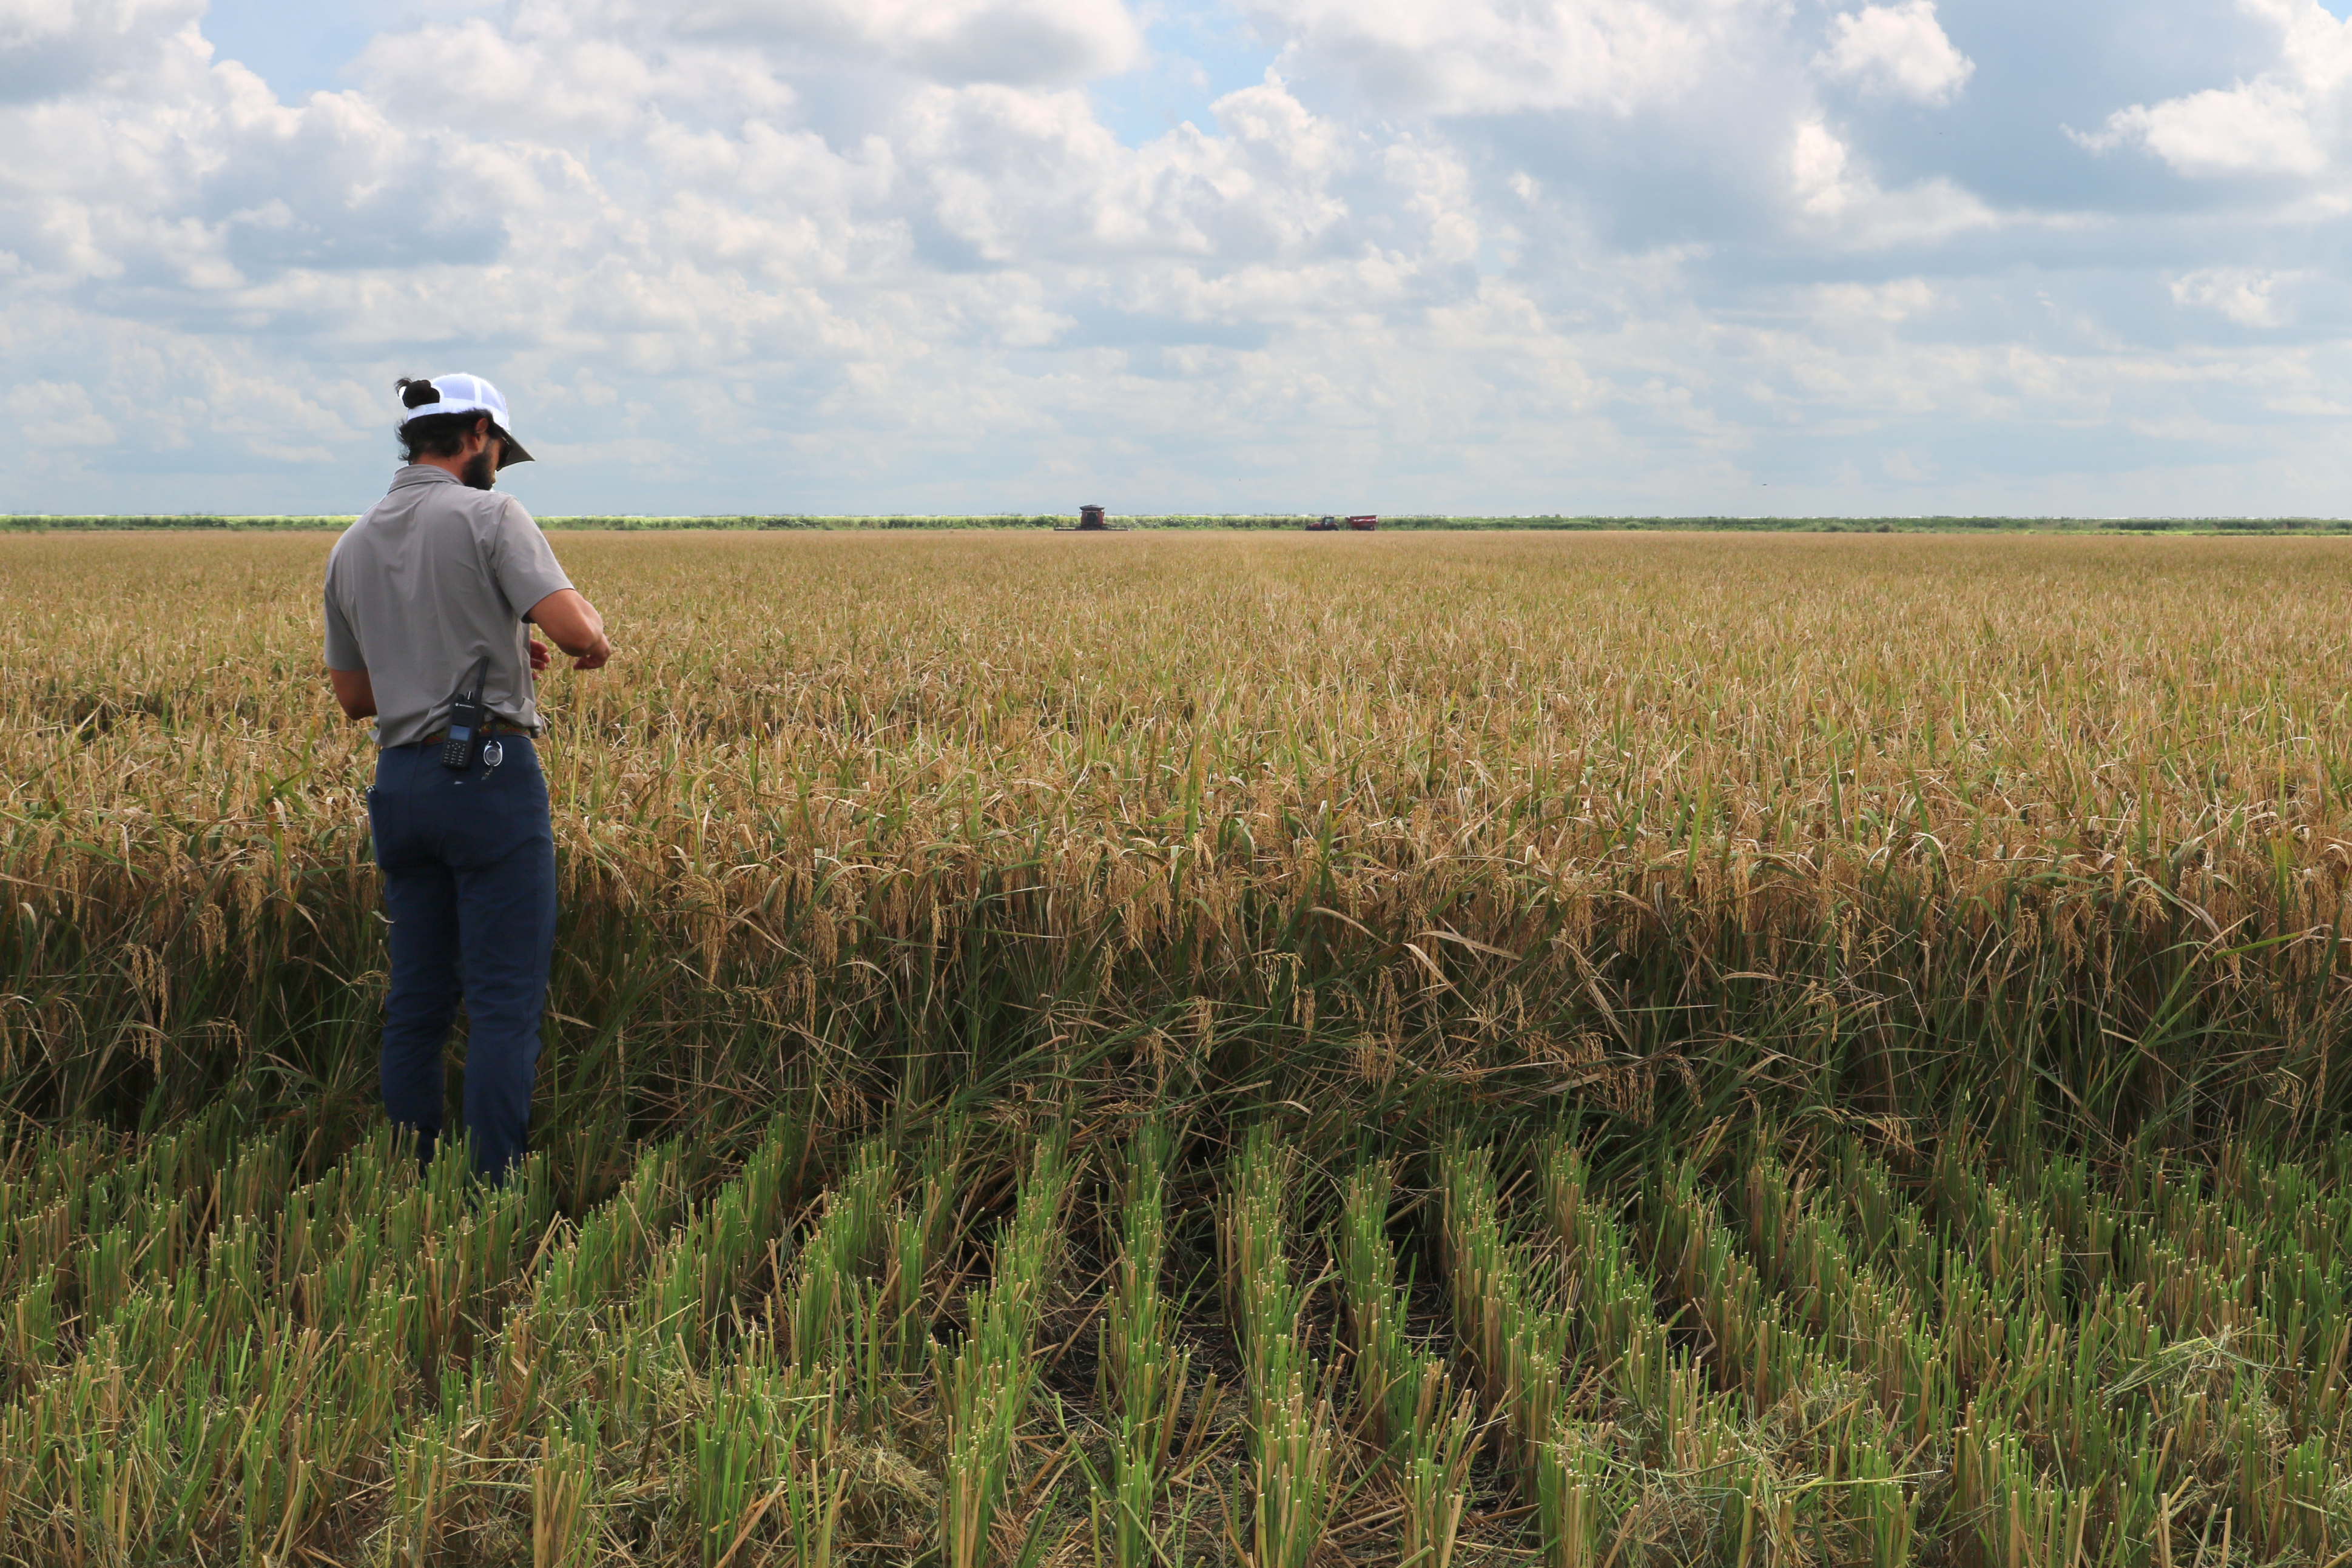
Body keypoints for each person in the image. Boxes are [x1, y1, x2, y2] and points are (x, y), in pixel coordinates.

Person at [322, 372, 612, 1179]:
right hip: (487, 776)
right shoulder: (492, 515)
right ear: (478, 432)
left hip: (400, 785)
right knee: (502, 1002)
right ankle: (493, 1189)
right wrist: (593, 639)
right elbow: (576, 629)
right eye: (500, 452)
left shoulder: (351, 544)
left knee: (416, 1001)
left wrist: (486, 645)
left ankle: (411, 1173)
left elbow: (356, 698)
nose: (499, 469)